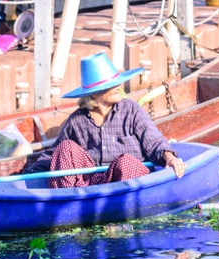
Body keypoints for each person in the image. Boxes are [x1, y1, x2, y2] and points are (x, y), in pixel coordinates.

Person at [22, 53, 186, 188]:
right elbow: (54, 155)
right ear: (94, 93)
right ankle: (68, 204)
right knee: (67, 148)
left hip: (129, 179)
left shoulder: (131, 110)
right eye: (111, 85)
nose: (118, 87)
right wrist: (27, 175)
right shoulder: (77, 121)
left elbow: (155, 141)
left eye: (117, 83)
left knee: (125, 163)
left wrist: (170, 159)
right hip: (91, 184)